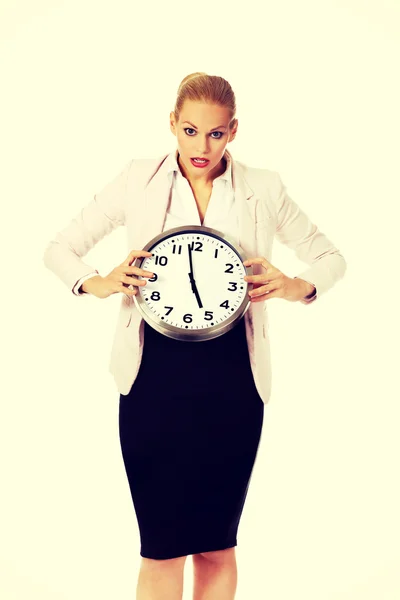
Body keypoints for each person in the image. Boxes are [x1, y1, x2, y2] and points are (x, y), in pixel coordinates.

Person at [43, 71, 346, 600]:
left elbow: (330, 257)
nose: (201, 146)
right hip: (153, 378)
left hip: (233, 381)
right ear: (172, 125)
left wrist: (294, 285)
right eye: (189, 131)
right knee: (161, 548)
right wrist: (99, 282)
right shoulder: (138, 178)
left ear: (233, 131)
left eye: (215, 133)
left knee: (215, 545)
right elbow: (60, 248)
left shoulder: (264, 187)